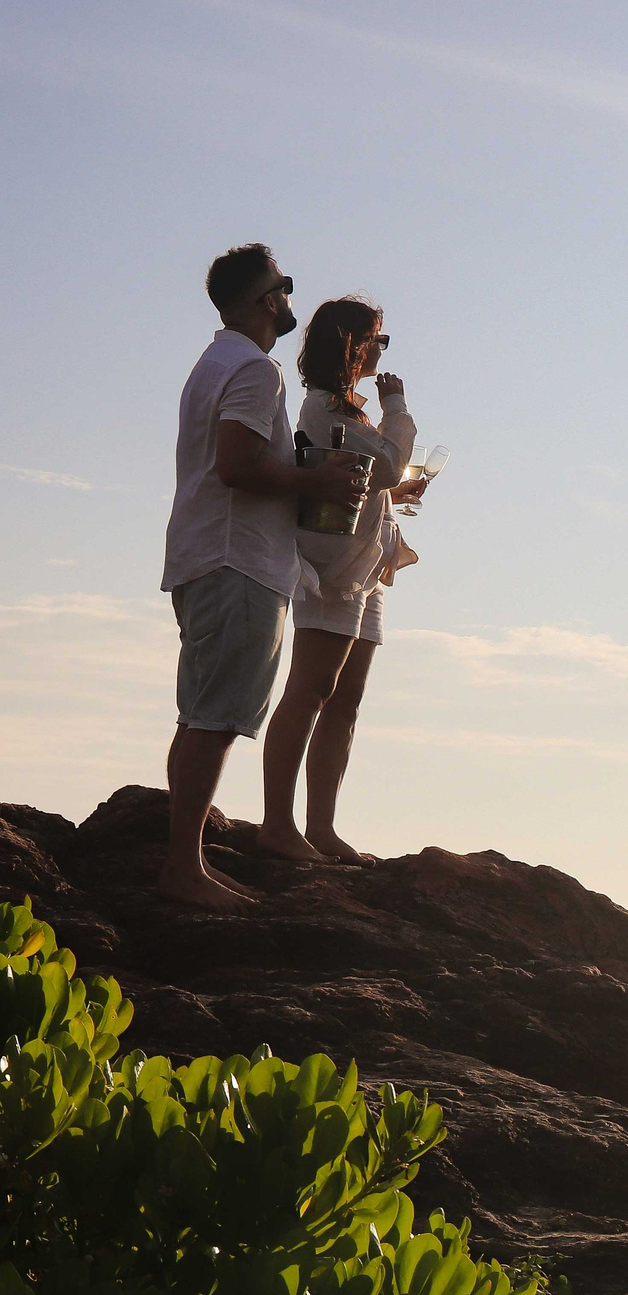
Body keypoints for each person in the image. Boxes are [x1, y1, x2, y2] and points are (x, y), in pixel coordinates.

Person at [160, 245, 369, 908]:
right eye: (283, 287)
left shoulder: (214, 362)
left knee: (200, 713)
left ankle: (182, 858)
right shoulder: (254, 370)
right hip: (236, 560)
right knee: (216, 717)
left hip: (205, 554)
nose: (288, 298)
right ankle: (184, 868)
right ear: (264, 299)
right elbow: (237, 465)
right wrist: (319, 479)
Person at [258, 297, 428, 865]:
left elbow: (375, 478)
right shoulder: (327, 408)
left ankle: (321, 827)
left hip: (367, 566)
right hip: (333, 571)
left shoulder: (348, 410)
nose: (382, 349)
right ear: (351, 342)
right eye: (377, 338)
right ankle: (279, 825)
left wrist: (396, 493)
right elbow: (383, 463)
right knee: (311, 690)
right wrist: (397, 406)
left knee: (344, 699)